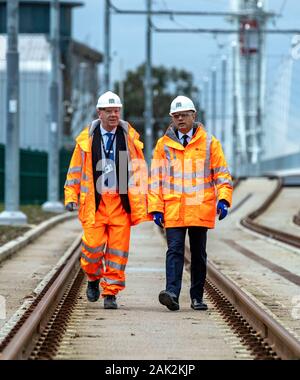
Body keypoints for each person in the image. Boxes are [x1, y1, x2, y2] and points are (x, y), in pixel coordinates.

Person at [64, 91, 150, 309]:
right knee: (91, 248)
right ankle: (93, 278)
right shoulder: (86, 142)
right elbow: (74, 171)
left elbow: (140, 172)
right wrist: (70, 196)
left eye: (117, 110)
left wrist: (146, 201)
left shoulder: (130, 139)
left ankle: (110, 293)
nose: (114, 114)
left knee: (117, 253)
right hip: (95, 204)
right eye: (109, 111)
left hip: (121, 204)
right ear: (99, 113)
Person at [148, 95, 233, 311]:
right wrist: (156, 208)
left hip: (199, 208)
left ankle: (197, 297)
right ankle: (172, 294)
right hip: (174, 208)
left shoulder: (209, 143)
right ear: (171, 118)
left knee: (198, 254)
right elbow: (155, 178)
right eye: (176, 116)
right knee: (174, 250)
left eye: (184, 115)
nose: (180, 119)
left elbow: (221, 173)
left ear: (193, 115)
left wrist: (224, 198)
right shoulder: (163, 145)